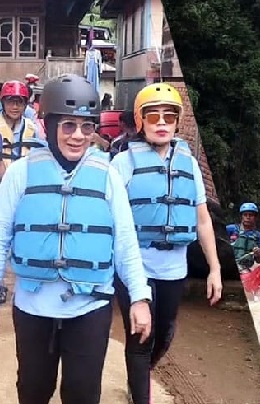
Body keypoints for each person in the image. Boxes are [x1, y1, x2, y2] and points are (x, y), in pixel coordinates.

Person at [0, 73, 152, 404]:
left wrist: (140, 298)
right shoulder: (20, 174)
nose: (78, 136)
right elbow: (0, 237)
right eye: (68, 126)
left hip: (90, 306)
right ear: (50, 125)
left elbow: (125, 243)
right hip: (33, 306)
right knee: (33, 389)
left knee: (83, 394)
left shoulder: (108, 176)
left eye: (87, 127)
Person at [110, 82, 223, 404]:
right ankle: (140, 393)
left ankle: (139, 377)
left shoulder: (188, 163)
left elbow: (202, 219)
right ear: (141, 120)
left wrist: (214, 268)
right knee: (141, 337)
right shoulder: (123, 164)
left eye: (169, 117)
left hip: (174, 264)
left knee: (164, 334)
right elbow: (113, 222)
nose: (161, 123)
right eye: (154, 116)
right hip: (135, 265)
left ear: (177, 122)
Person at [0, 80, 46, 173]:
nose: (15, 107)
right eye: (10, 102)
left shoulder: (32, 128)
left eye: (19, 102)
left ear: (25, 105)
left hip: (24, 178)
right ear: (3, 103)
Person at [226, 202, 260, 273]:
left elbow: (259, 261)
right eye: (245, 215)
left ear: (255, 217)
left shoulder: (259, 236)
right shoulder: (231, 229)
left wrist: (258, 254)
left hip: (244, 268)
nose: (248, 217)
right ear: (242, 216)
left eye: (250, 215)